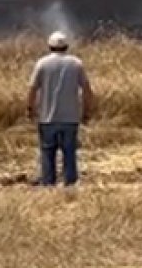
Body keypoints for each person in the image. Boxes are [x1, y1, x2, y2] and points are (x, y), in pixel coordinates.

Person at [27, 31, 94, 186]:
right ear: (67, 47)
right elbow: (87, 89)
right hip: (70, 118)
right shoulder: (76, 63)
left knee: (47, 153)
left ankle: (48, 184)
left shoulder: (42, 63)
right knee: (69, 153)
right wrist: (86, 112)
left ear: (49, 46)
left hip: (47, 118)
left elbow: (32, 89)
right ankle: (70, 185)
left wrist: (30, 109)